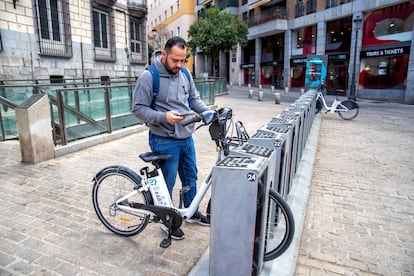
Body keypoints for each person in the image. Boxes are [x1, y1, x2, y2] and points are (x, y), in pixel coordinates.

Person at [132, 36, 210, 240]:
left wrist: (209, 113)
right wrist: (163, 117)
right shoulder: (149, 77)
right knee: (167, 182)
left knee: (190, 176)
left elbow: (194, 99)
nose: (179, 65)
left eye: (183, 60)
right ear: (164, 54)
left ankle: (190, 211)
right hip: (164, 139)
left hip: (186, 137)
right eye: (175, 60)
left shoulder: (184, 72)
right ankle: (167, 222)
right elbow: (138, 109)